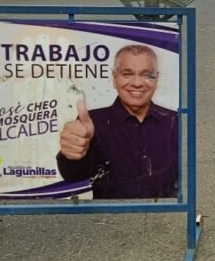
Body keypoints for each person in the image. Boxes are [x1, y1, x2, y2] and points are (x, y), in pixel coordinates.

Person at [57, 44, 178, 199]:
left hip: (165, 222)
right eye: (127, 74)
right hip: (112, 222)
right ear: (114, 78)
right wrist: (72, 154)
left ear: (156, 79)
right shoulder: (93, 123)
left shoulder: (176, 123)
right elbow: (73, 175)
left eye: (146, 75)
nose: (137, 83)